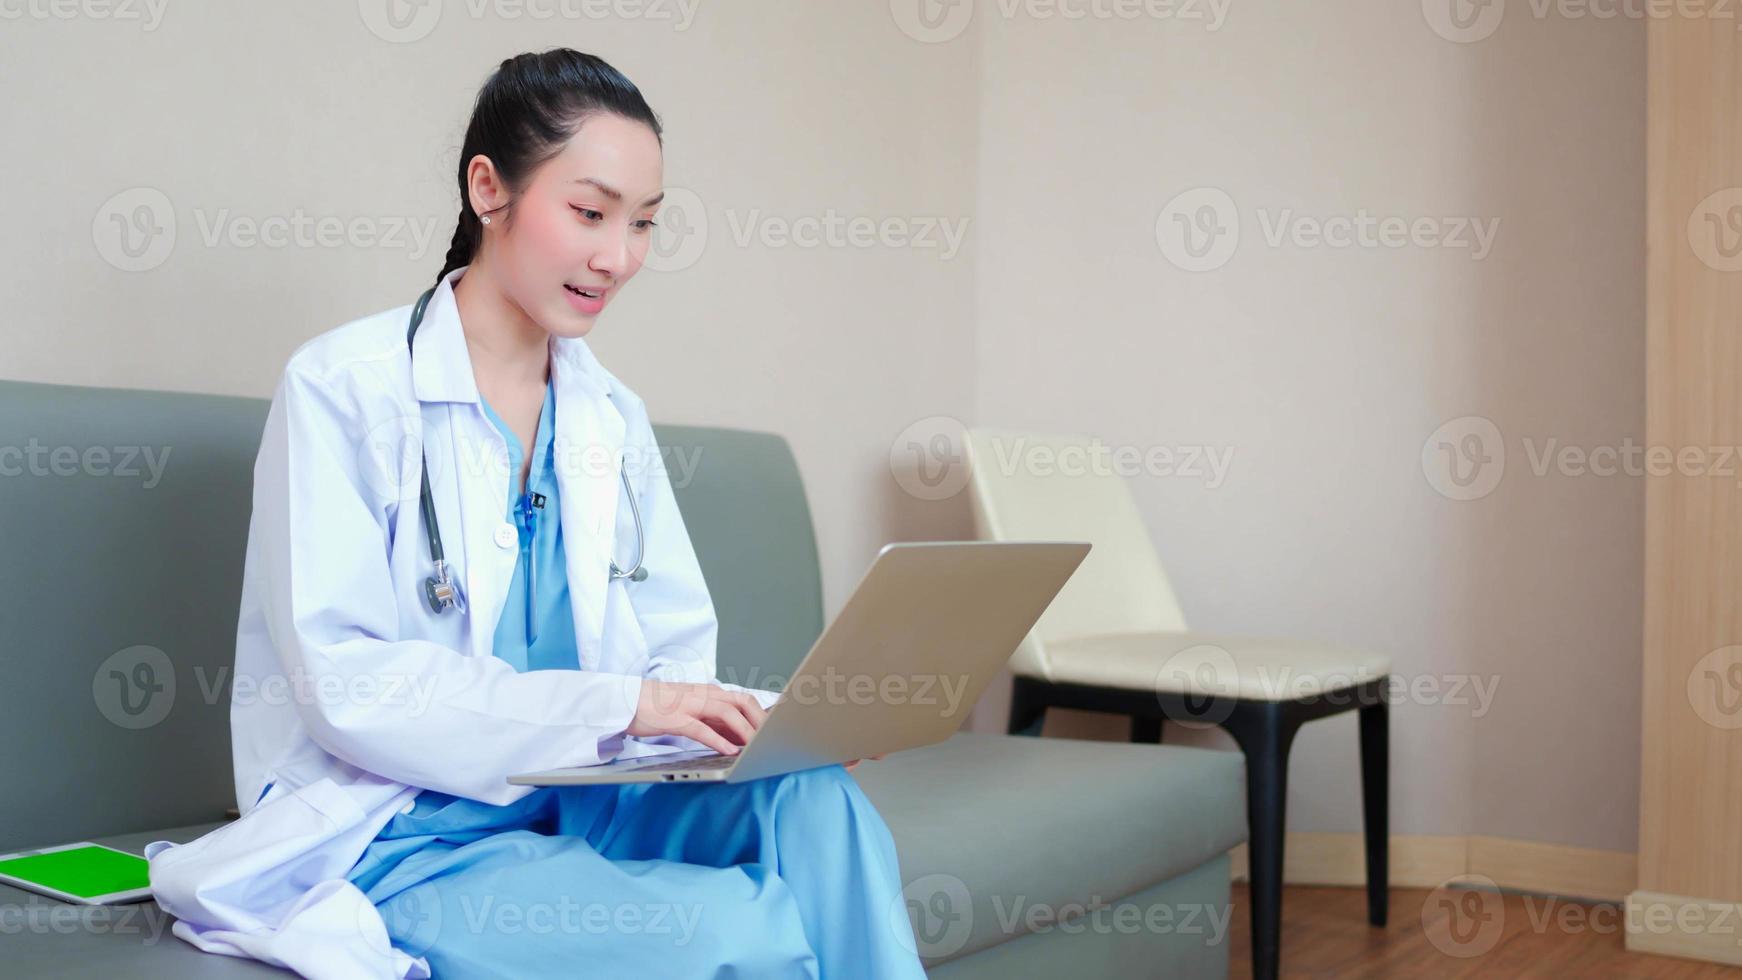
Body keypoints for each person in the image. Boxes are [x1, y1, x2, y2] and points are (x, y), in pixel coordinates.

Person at [145, 49, 918, 979]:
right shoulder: (343, 391)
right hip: (407, 827)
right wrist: (624, 704)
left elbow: (675, 653)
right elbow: (351, 690)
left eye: (643, 224)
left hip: (589, 795)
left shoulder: (611, 417)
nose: (617, 257)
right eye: (589, 213)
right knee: (735, 939)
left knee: (814, 802)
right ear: (488, 189)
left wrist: (778, 723)